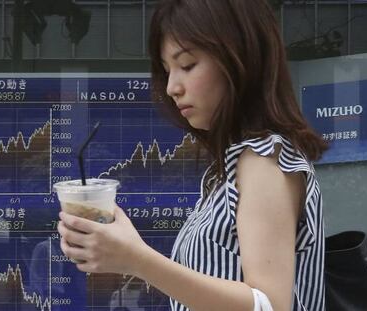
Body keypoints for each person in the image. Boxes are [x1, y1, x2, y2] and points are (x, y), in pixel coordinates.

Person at [57, 0, 328, 310]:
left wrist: (136, 259)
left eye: (187, 65)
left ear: (240, 57)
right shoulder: (232, 165)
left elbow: (269, 305)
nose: (172, 87)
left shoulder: (263, 160)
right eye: (167, 70)